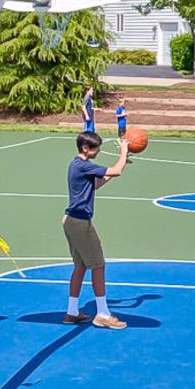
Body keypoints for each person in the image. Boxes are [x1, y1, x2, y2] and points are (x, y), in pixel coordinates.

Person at [64, 130, 131, 328]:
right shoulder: (83, 165)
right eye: (96, 148)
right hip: (80, 224)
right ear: (85, 148)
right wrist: (124, 152)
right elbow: (116, 170)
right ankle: (102, 314)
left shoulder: (78, 165)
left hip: (72, 221)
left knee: (81, 266)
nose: (99, 151)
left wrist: (121, 163)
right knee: (98, 265)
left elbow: (97, 184)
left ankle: (72, 311)